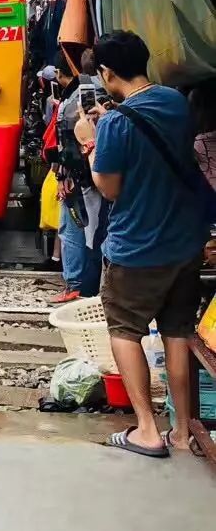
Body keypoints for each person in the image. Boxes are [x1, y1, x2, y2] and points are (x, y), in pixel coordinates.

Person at [78, 30, 209, 458]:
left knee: (125, 331)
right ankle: (181, 431)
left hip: (136, 249)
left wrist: (90, 143)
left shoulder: (115, 123)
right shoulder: (175, 102)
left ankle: (147, 431)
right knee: (177, 332)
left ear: (106, 72)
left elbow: (110, 188)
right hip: (185, 242)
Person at [43, 52, 106, 303]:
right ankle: (91, 286)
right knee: (95, 231)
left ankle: (76, 286)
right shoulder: (107, 95)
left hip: (80, 179)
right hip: (100, 174)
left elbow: (67, 142)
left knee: (72, 230)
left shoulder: (76, 99)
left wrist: (62, 175)